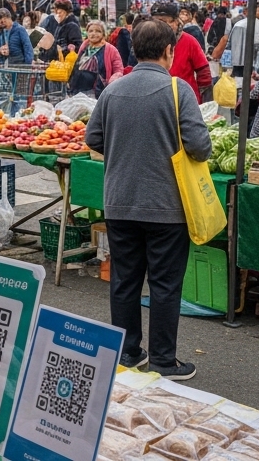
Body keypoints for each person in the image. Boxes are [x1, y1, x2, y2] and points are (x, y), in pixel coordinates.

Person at [85, 19, 209, 380]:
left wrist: (125, 150)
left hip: (120, 202)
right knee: (165, 285)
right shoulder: (177, 89)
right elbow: (200, 147)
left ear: (133, 50)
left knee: (124, 280)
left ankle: (126, 353)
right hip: (166, 206)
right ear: (169, 50)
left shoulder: (113, 91)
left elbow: (93, 138)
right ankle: (163, 362)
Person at [155, 3, 212, 101]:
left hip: (186, 101)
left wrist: (205, 102)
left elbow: (204, 73)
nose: (165, 25)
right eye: (160, 21)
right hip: (157, 101)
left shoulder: (189, 41)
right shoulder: (147, 41)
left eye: (169, 21)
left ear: (177, 22)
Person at [68, 20, 125, 97]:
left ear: (103, 34)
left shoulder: (111, 50)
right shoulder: (84, 46)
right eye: (91, 31)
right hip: (78, 90)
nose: (93, 34)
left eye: (98, 31)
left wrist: (113, 80)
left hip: (98, 92)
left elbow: (118, 69)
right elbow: (77, 65)